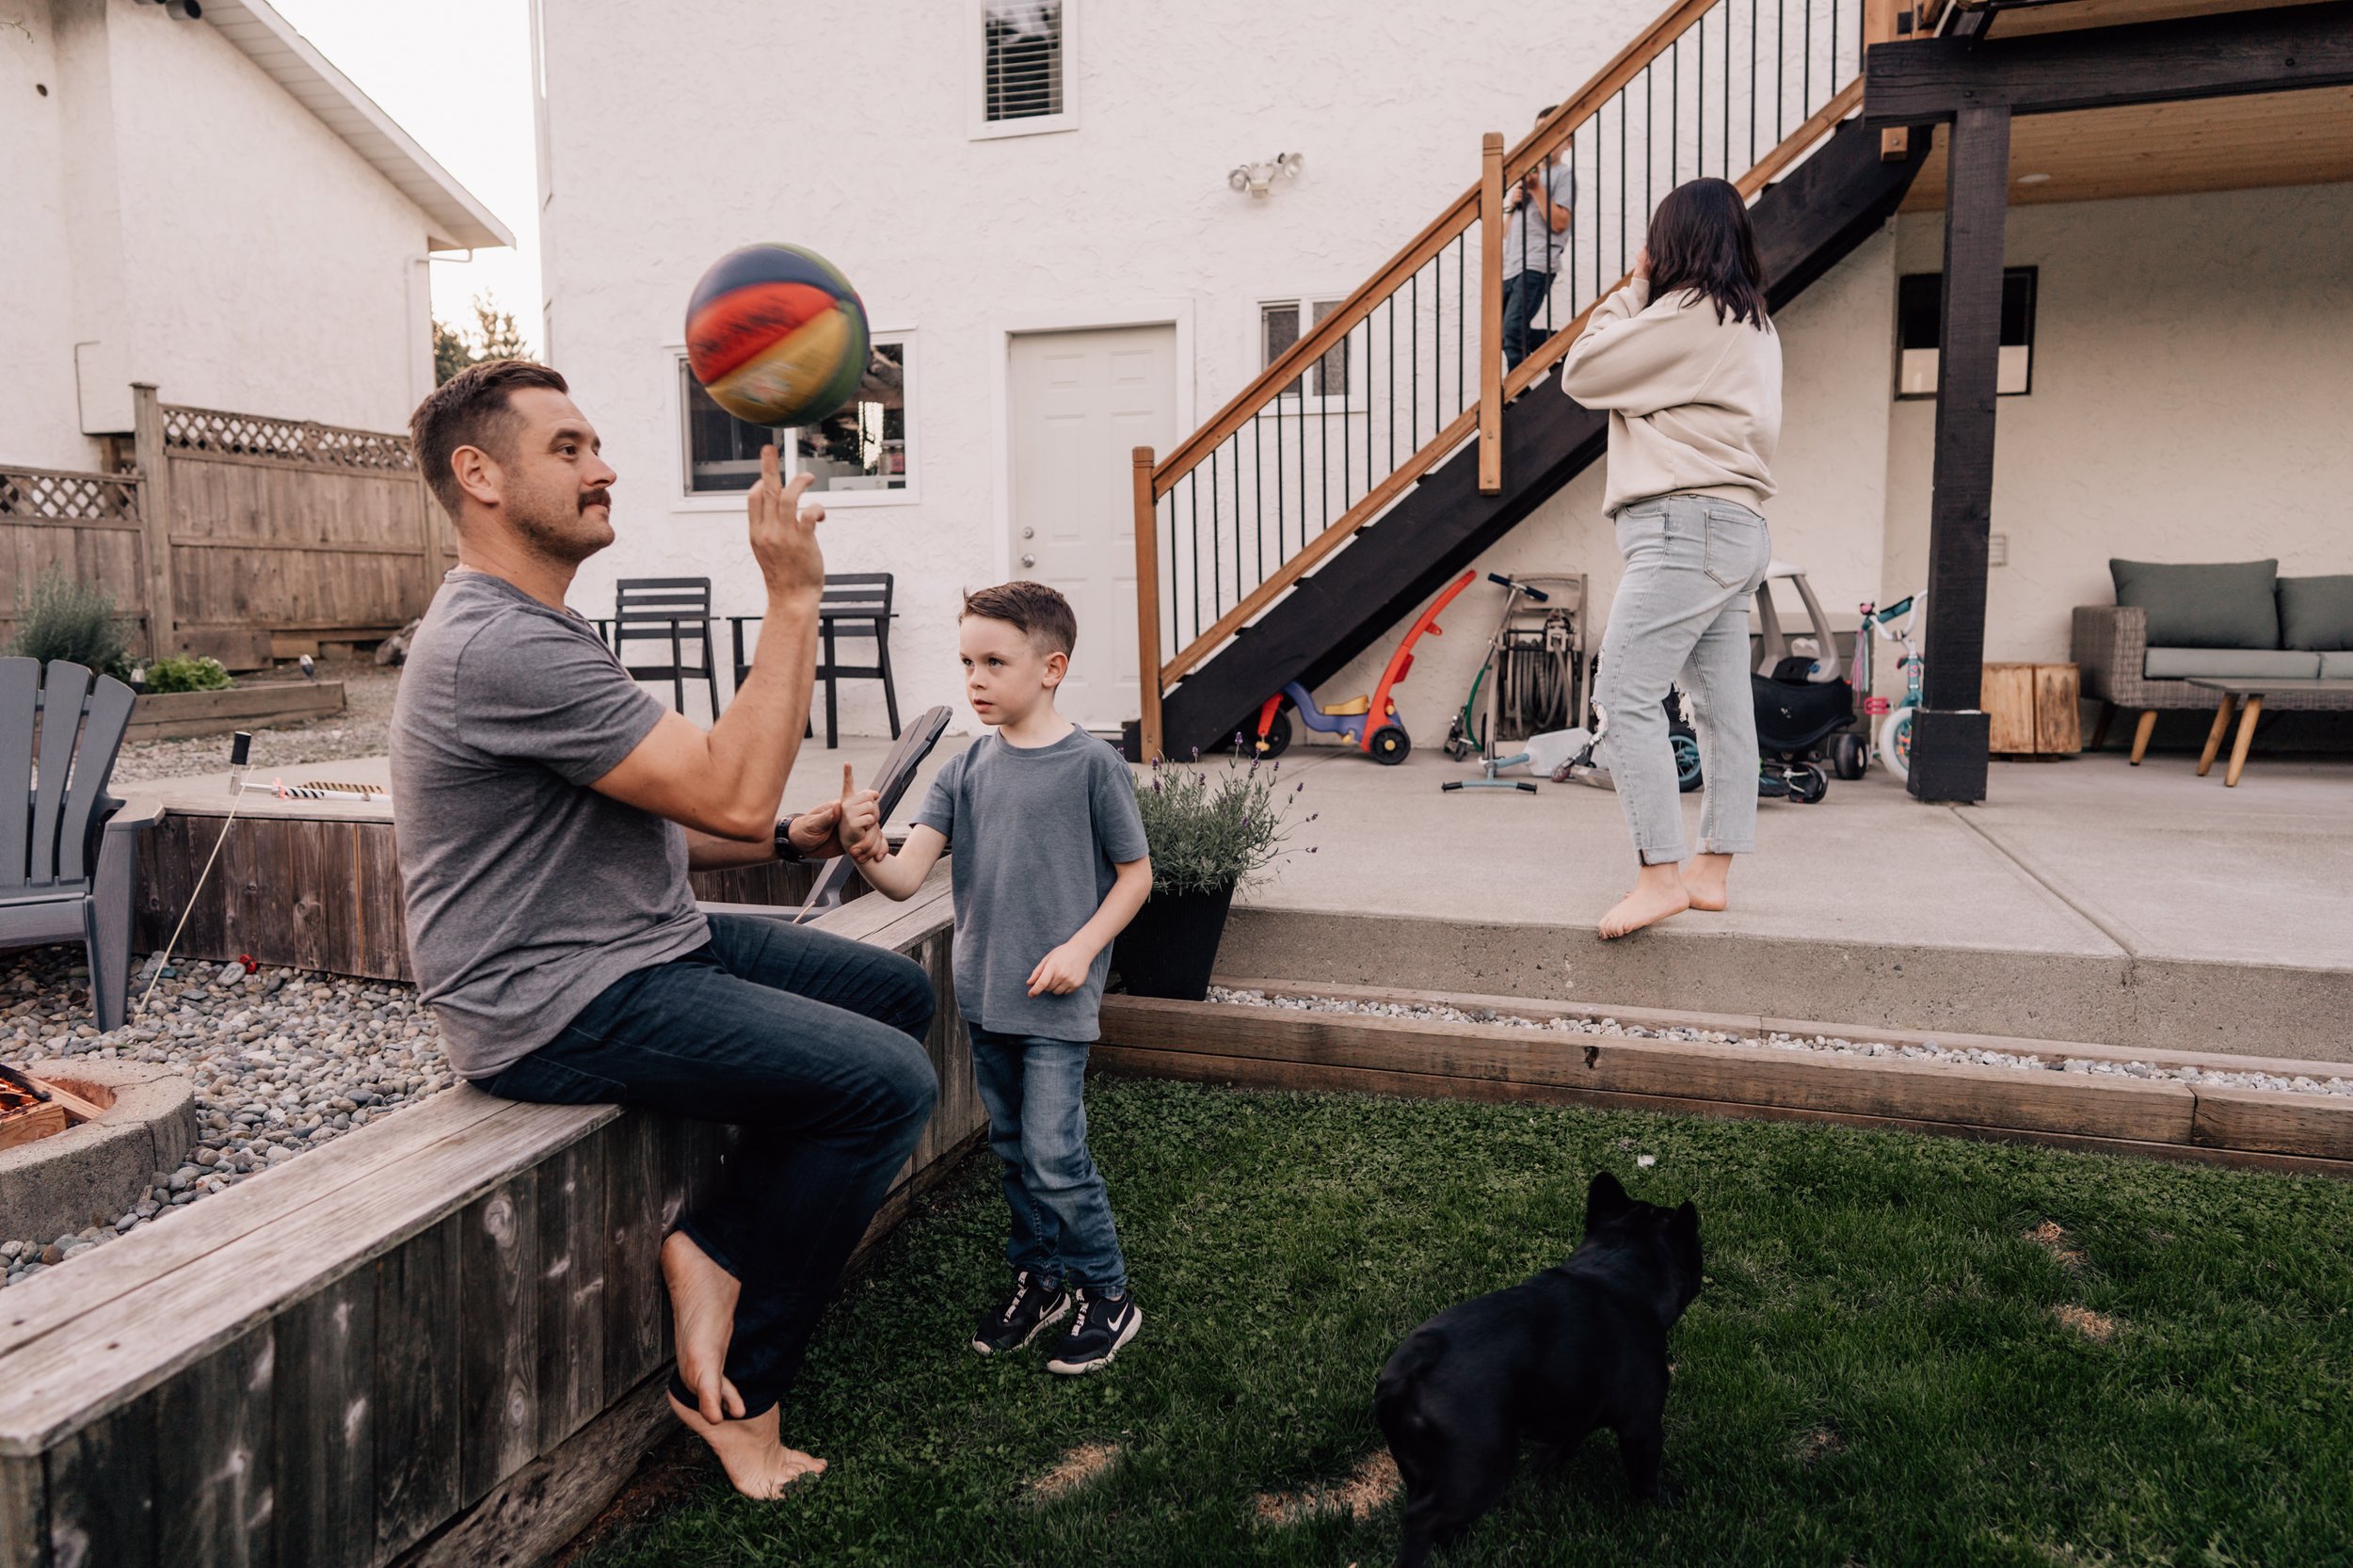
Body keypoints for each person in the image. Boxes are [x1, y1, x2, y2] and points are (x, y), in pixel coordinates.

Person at [390, 360, 939, 1498]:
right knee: (885, 1082)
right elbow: (725, 788)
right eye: (571, 449)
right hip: (545, 999)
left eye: (595, 446)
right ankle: (739, 1389)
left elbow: (688, 815)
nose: (605, 468)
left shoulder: (533, 626)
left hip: (635, 937)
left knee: (895, 997)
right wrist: (792, 598)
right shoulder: (499, 644)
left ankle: (720, 1242)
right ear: (478, 475)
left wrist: (794, 840)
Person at [841, 581, 1153, 1376]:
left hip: (1057, 998)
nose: (974, 679)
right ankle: (1041, 1277)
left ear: (1052, 667)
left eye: (993, 662)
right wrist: (866, 848)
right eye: (965, 662)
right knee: (1014, 1150)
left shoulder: (1092, 766)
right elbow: (907, 877)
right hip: (986, 993)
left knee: (1054, 1152)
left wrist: (1081, 949)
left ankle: (1107, 1294)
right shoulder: (966, 767)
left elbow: (1136, 877)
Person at [1560, 177, 1782, 939]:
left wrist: (1632, 289)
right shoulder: (1751, 321)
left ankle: (1659, 875)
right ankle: (1710, 871)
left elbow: (1583, 371)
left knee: (1621, 694)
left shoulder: (1686, 315)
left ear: (1671, 241)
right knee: (1722, 711)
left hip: (1686, 528)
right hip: (1734, 529)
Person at [1500, 109, 1575, 371]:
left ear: (1568, 142)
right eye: (1539, 132)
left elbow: (1559, 223)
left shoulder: (1562, 175)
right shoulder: (1530, 177)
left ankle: (1516, 394)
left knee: (1512, 331)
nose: (1544, 139)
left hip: (1536, 263)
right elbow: (1506, 233)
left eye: (1553, 131)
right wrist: (1512, 205)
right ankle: (1564, 344)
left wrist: (1536, 189)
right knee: (1503, 333)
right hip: (1512, 266)